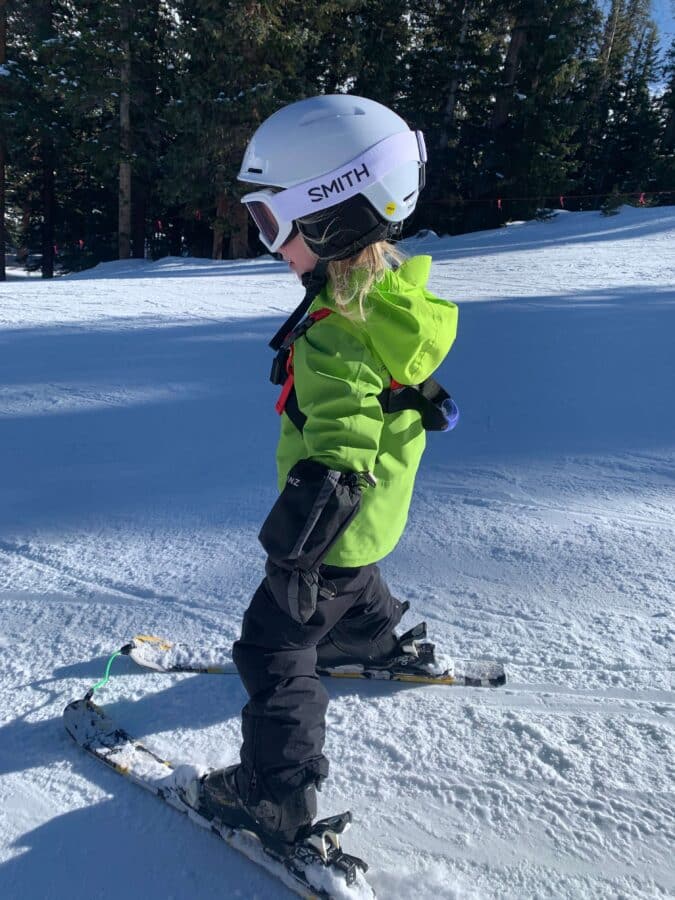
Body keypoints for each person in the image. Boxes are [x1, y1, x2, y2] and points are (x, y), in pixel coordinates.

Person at [198, 94, 458, 850]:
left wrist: (293, 555)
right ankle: (372, 641)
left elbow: (339, 452)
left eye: (273, 224)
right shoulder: (394, 304)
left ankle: (274, 793)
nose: (269, 245)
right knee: (354, 580)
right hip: (381, 514)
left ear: (333, 218)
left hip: (338, 523)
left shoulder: (332, 340)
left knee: (272, 646)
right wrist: (429, 397)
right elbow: (397, 383)